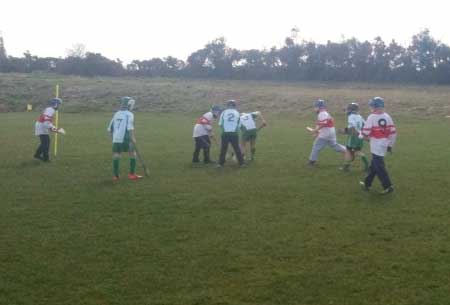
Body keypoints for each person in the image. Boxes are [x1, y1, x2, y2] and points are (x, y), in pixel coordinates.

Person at [360, 97, 396, 194]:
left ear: (374, 106)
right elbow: (393, 132)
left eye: (371, 106)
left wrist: (360, 135)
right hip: (384, 144)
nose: (370, 108)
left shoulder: (372, 117)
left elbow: (366, 132)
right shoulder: (387, 116)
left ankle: (388, 186)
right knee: (374, 166)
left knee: (379, 167)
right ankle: (367, 183)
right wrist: (390, 145)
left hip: (376, 145)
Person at [107, 96, 142, 181]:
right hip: (126, 138)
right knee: (133, 154)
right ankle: (132, 174)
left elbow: (109, 129)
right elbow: (130, 127)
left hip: (116, 138)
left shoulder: (116, 113)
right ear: (129, 105)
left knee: (116, 155)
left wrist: (113, 138)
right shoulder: (129, 114)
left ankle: (116, 176)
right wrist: (133, 138)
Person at [307, 99, 346, 166]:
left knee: (316, 146)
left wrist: (315, 131)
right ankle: (347, 151)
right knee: (334, 145)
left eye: (315, 107)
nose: (314, 109)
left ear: (319, 107)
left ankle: (312, 161)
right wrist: (317, 132)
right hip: (331, 132)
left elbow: (323, 124)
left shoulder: (322, 113)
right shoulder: (325, 113)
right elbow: (323, 123)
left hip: (326, 133)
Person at [339, 102, 369, 172]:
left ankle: (346, 167)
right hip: (360, 136)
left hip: (353, 136)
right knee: (357, 151)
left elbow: (352, 128)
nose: (347, 110)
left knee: (348, 150)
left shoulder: (351, 116)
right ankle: (367, 165)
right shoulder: (359, 116)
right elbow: (365, 125)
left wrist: (344, 131)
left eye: (348, 109)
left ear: (351, 110)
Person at [217, 100, 245, 167]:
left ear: (228, 105)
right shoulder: (237, 113)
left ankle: (220, 163)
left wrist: (225, 129)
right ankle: (241, 163)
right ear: (234, 105)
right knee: (237, 148)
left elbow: (220, 124)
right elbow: (239, 124)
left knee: (223, 148)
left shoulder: (223, 112)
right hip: (234, 133)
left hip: (225, 133)